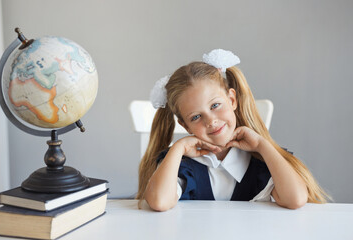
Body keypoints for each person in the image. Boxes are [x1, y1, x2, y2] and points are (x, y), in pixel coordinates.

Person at [137, 49, 329, 211]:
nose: (211, 121)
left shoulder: (260, 163)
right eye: (196, 117)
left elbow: (295, 199)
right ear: (185, 126)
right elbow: (159, 202)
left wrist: (263, 145)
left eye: (215, 106)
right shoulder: (182, 166)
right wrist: (177, 148)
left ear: (232, 100)